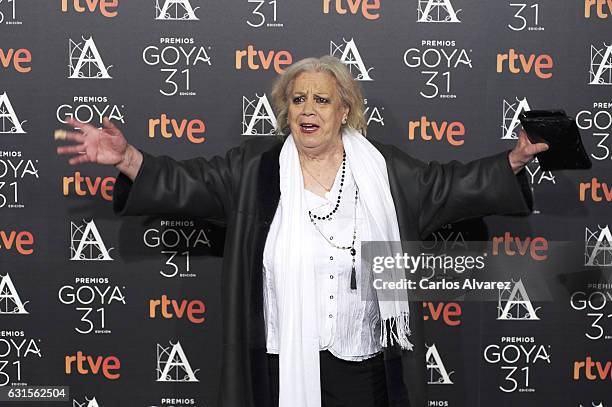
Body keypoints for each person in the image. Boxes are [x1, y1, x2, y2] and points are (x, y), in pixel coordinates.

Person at [55, 55, 548, 407]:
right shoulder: (253, 169)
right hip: (279, 363)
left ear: (344, 111)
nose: (308, 109)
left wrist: (515, 159)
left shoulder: (385, 170)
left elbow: (452, 187)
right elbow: (189, 183)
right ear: (285, 111)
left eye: (321, 100)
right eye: (297, 100)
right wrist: (128, 159)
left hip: (362, 363)